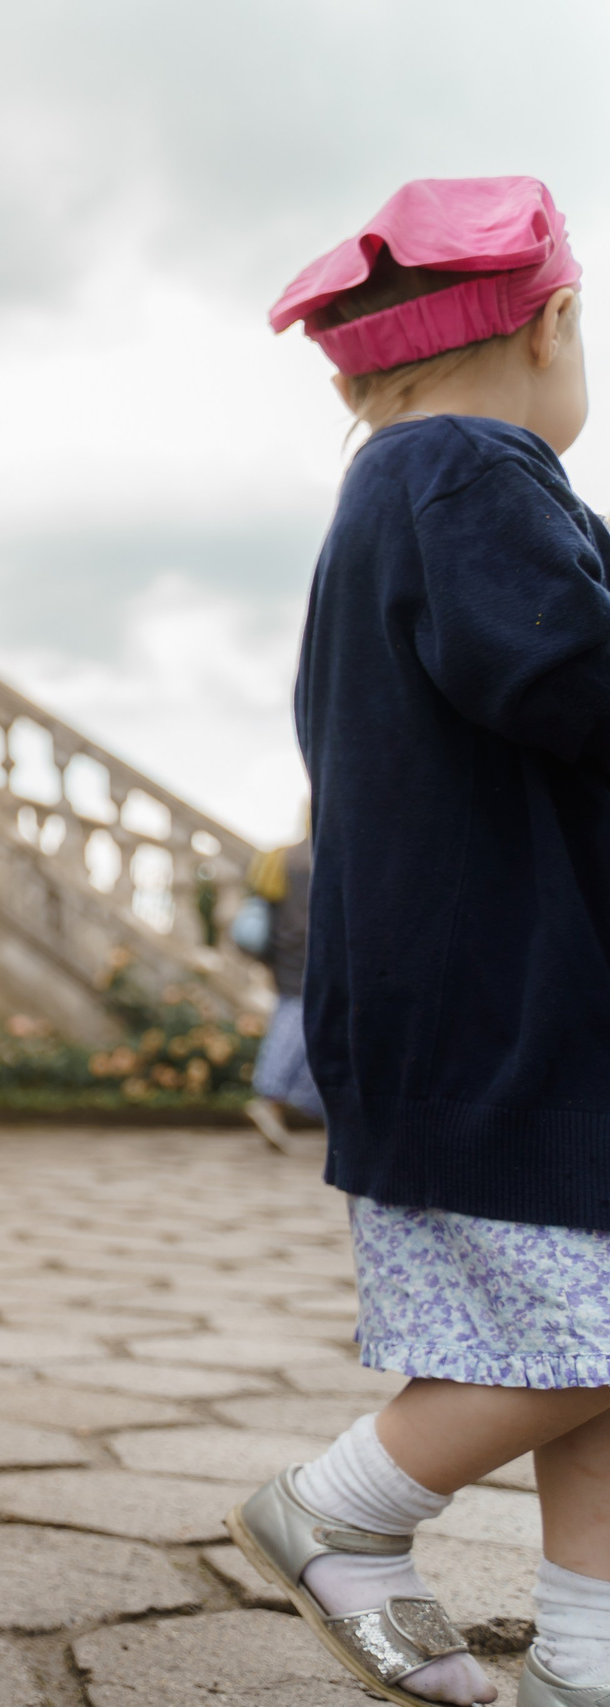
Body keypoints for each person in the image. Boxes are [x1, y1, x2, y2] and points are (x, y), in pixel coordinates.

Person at [226, 177, 610, 1707]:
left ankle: (588, 1652)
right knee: (578, 1337)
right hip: (513, 1012)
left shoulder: (404, 482)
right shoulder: (468, 465)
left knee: (585, 1344)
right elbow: (572, 679)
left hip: (480, 1010)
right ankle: (344, 1507)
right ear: (555, 323)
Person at [237, 829, 323, 1151]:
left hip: (283, 952)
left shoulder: (278, 856)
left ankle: (278, 1099)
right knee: (299, 1021)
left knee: (292, 1017)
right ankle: (273, 1097)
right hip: (310, 953)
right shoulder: (318, 854)